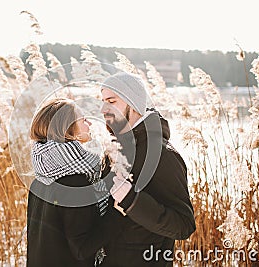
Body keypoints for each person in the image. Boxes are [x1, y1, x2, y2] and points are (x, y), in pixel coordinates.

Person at [99, 72, 196, 266]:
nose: (102, 109)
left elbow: (183, 225)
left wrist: (132, 201)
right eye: (102, 101)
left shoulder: (162, 154)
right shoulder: (116, 150)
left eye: (111, 101)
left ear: (133, 104)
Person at [26, 98, 123, 267]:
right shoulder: (74, 183)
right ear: (67, 128)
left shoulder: (40, 179)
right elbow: (82, 248)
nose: (90, 124)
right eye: (83, 119)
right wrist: (117, 213)